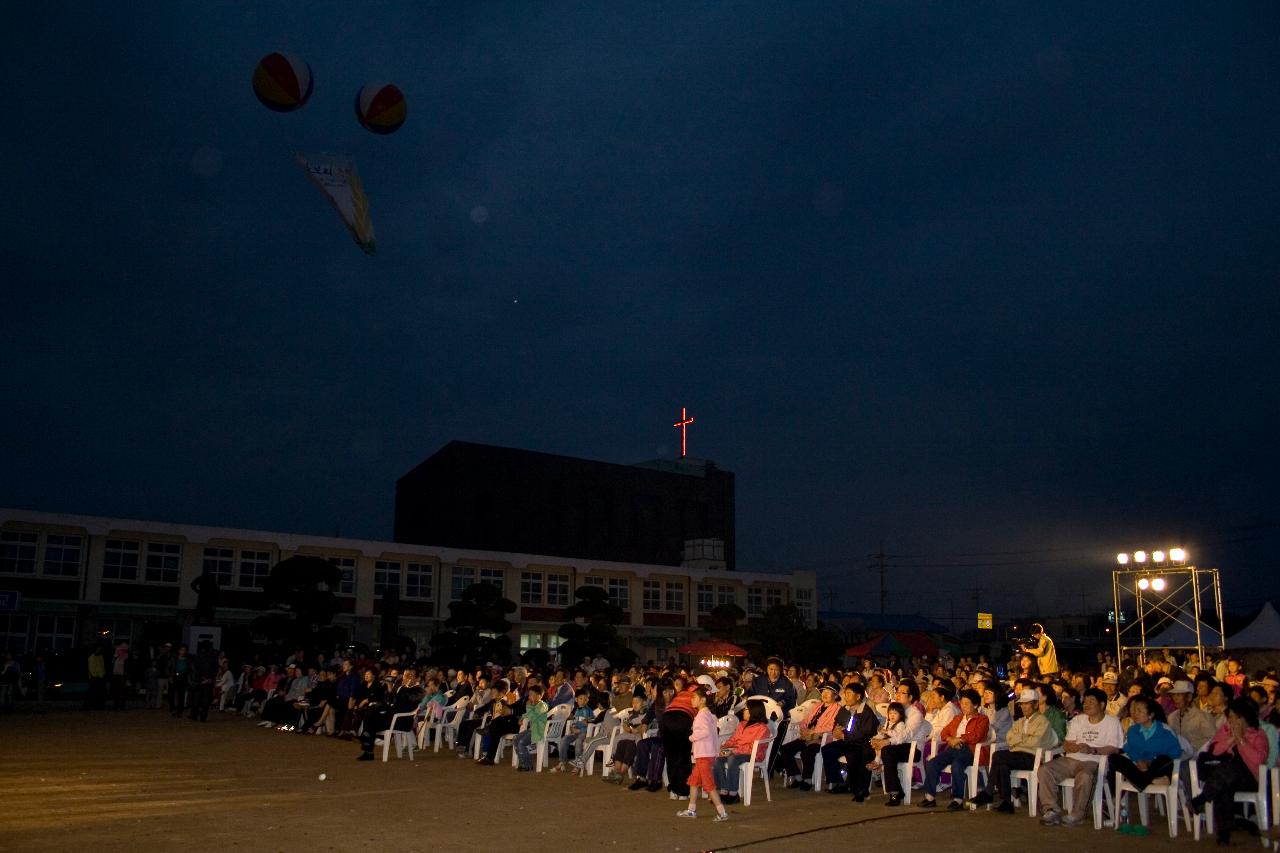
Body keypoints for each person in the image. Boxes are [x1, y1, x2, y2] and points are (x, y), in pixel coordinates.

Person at [1038, 687, 1125, 827]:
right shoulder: (1078, 720)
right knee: (1044, 770)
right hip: (1071, 759)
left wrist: (1093, 750)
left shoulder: (1112, 722)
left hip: (1094, 760)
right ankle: (1050, 810)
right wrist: (1072, 747)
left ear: (1102, 705)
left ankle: (1077, 814)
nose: (1086, 705)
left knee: (1085, 776)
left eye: (1091, 702)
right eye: (1085, 702)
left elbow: (1114, 748)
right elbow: (1067, 744)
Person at [1191, 697, 1269, 845]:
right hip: (1226, 778)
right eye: (1230, 717)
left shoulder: (1258, 735)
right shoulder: (1225, 731)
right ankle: (1224, 832)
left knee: (1231, 771)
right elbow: (1214, 752)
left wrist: (1241, 740)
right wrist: (1231, 739)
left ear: (1245, 717)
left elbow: (1257, 761)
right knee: (1225, 783)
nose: (1231, 720)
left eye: (1234, 717)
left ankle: (1201, 800)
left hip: (1249, 779)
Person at [972, 688, 1058, 813]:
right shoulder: (1020, 721)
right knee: (1002, 765)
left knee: (998, 756)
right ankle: (1006, 802)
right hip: (1017, 755)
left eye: (1027, 703)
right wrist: (1025, 738)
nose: (1023, 706)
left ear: (1035, 704)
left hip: (1032, 757)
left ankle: (989, 791)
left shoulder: (1042, 721)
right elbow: (1009, 737)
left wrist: (1019, 738)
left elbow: (1036, 742)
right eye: (1022, 704)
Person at [1107, 694, 1182, 822]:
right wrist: (1138, 760)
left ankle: (1141, 780)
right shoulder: (1133, 731)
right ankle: (1147, 780)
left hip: (1156, 766)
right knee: (1114, 757)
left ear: (1151, 715)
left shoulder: (1164, 730)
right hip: (1140, 767)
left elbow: (1175, 752)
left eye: (1140, 711)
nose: (1135, 714)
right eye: (1134, 710)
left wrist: (1149, 761)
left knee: (1163, 760)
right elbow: (1129, 748)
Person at [919, 688, 989, 810]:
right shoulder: (958, 718)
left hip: (970, 750)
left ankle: (957, 799)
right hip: (953, 748)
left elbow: (976, 735)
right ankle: (930, 797)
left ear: (976, 705)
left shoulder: (982, 719)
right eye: (962, 703)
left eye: (967, 703)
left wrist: (960, 739)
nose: (963, 706)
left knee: (957, 765)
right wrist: (951, 740)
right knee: (932, 763)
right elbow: (944, 732)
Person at [676, 686, 729, 821]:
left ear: (703, 700)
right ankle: (691, 809)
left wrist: (692, 737)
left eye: (694, 697)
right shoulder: (710, 715)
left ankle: (722, 812)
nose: (691, 699)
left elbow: (704, 732)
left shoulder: (702, 716)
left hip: (704, 754)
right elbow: (713, 733)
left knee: (709, 784)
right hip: (707, 753)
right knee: (694, 781)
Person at [823, 681, 879, 800]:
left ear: (858, 696)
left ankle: (860, 789)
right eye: (845, 693)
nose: (845, 696)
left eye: (849, 694)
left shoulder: (866, 712)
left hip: (862, 744)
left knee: (856, 755)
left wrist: (845, 736)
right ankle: (839, 782)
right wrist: (835, 731)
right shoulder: (845, 709)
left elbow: (864, 733)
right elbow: (837, 724)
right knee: (828, 749)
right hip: (847, 741)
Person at [779, 683, 841, 789]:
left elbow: (831, 726)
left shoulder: (838, 709)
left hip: (821, 739)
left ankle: (807, 780)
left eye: (828, 692)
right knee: (785, 749)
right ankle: (798, 777)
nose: (824, 694)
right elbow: (805, 720)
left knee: (807, 753)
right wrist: (804, 729)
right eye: (823, 692)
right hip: (807, 737)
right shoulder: (818, 706)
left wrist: (813, 731)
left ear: (835, 695)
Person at [882, 679, 931, 807]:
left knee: (887, 750)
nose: (897, 694)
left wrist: (887, 742)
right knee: (866, 747)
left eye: (902, 693)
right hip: (898, 746)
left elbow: (905, 735)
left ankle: (895, 792)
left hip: (913, 749)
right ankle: (860, 789)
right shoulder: (895, 710)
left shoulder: (915, 714)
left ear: (910, 697)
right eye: (897, 691)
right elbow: (887, 729)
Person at [714, 699, 770, 804]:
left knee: (732, 759)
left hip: (753, 754)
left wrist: (734, 751)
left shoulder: (762, 728)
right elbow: (733, 739)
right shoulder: (742, 724)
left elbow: (754, 747)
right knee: (718, 760)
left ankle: (733, 794)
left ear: (754, 711)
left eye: (746, 709)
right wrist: (725, 748)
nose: (744, 711)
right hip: (737, 752)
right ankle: (723, 790)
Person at [1166, 679, 1216, 753]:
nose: (1175, 698)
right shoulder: (1171, 717)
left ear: (1189, 697)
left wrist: (1190, 746)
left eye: (1179, 695)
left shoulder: (1203, 717)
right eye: (1174, 695)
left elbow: (1212, 740)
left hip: (1196, 759)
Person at [514, 683, 549, 771]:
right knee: (515, 739)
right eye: (529, 695)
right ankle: (523, 762)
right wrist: (522, 717)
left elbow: (534, 716)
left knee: (522, 743)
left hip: (538, 731)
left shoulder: (543, 705)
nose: (530, 697)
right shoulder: (533, 705)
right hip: (532, 730)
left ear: (540, 696)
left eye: (533, 695)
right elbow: (528, 714)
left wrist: (528, 706)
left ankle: (527, 765)